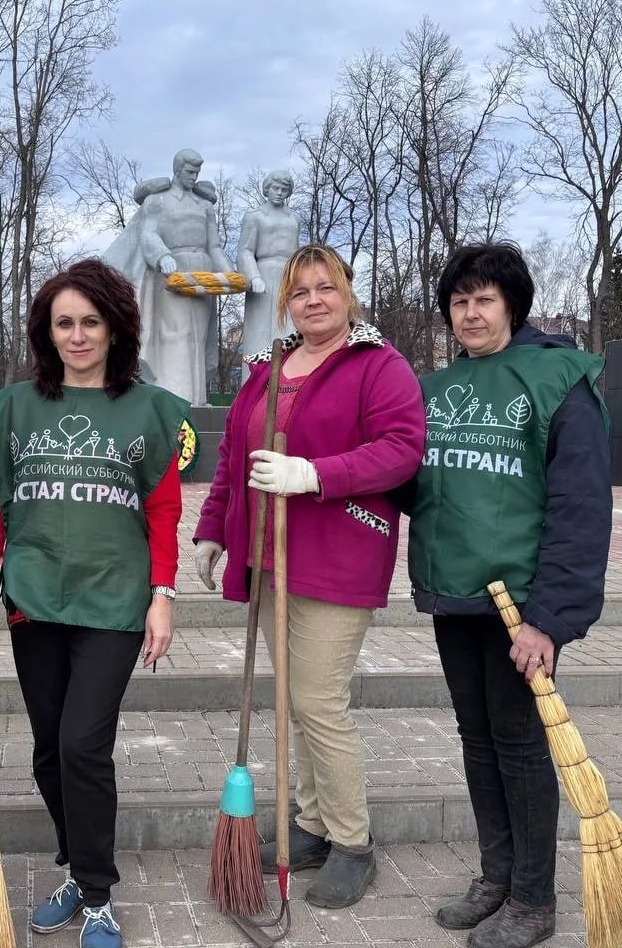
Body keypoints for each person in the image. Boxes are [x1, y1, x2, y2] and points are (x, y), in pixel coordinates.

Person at [0, 259, 188, 948]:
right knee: (50, 754)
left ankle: (97, 895)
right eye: (65, 323)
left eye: (92, 321)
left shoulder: (150, 408)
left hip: (115, 601)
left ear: (117, 328)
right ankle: (78, 868)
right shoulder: (15, 406)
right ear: (46, 331)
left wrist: (163, 595)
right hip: (35, 598)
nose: (79, 335)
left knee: (84, 746)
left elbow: (165, 506)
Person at [192, 244, 425, 909]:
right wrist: (213, 527)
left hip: (337, 553)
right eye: (300, 291)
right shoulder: (267, 369)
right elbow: (234, 455)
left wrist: (316, 475)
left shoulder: (378, 367)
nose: (314, 300)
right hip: (267, 556)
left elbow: (403, 449)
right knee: (295, 699)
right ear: (286, 302)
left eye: (327, 287)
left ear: (348, 292)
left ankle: (352, 842)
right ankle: (312, 828)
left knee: (319, 702)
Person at [407, 242, 611, 948]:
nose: (470, 312)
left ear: (512, 304)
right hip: (456, 595)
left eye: (484, 299)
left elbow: (580, 508)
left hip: (521, 606)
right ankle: (495, 876)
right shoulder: (433, 390)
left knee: (522, 747)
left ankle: (533, 899)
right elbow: (412, 482)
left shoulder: (557, 378)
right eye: (459, 301)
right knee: (477, 739)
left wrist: (549, 620)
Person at [102, 148, 235, 406]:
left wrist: (229, 274)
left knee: (198, 336)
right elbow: (149, 234)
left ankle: (196, 398)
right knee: (176, 333)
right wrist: (163, 256)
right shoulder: (158, 201)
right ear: (177, 170)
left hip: (202, 272)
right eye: (189, 171)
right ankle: (175, 396)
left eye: (197, 172)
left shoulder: (205, 205)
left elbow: (215, 246)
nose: (194, 177)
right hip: (172, 270)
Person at [236, 169, 301, 366]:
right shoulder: (254, 216)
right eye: (275, 188)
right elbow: (245, 251)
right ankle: (255, 380)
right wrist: (254, 277)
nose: (280, 192)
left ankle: (288, 377)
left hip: (290, 274)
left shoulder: (294, 218)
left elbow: (296, 249)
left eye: (284, 189)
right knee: (260, 329)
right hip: (263, 274)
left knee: (289, 327)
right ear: (267, 189)